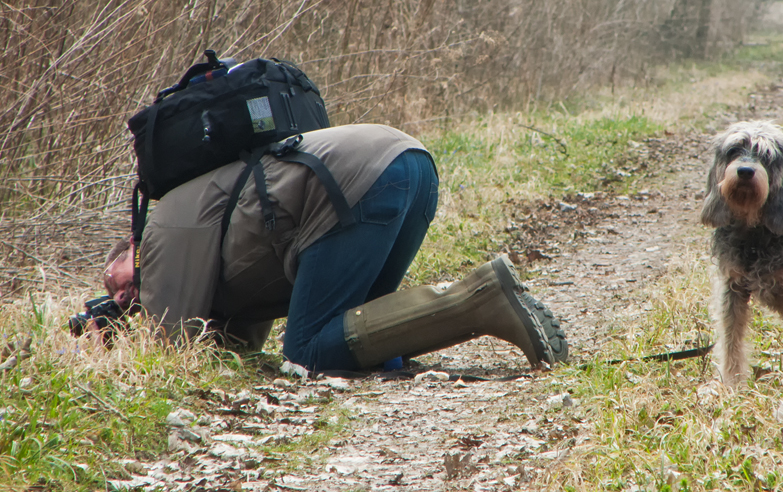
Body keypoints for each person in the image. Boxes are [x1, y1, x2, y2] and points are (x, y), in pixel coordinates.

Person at [101, 124, 569, 372]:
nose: (122, 297)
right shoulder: (201, 225)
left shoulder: (162, 228)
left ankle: (482, 299)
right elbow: (235, 342)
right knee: (366, 331)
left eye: (114, 281)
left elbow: (173, 348)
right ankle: (485, 304)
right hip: (407, 164)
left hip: (360, 180)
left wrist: (119, 339)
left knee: (306, 352)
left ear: (132, 247)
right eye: (119, 301)